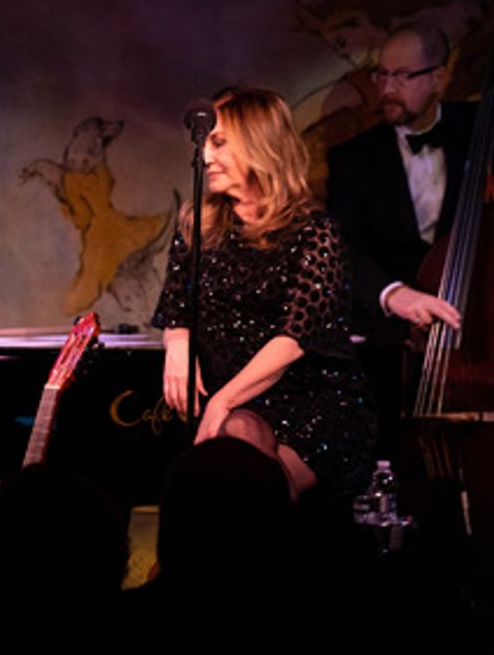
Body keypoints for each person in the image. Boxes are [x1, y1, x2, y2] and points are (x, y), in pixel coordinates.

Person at [153, 86, 377, 501]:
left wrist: (222, 402)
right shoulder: (197, 226)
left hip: (309, 402)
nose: (206, 157)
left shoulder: (314, 233)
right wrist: (178, 345)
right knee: (236, 436)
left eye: (220, 143)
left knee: (243, 459)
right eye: (205, 144)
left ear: (260, 145)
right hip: (235, 403)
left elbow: (294, 338)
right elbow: (176, 308)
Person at [326, 25, 475, 454]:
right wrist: (395, 294)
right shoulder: (352, 158)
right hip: (389, 339)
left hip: (474, 333)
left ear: (439, 77)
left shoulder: (479, 131)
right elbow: (345, 247)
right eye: (382, 74)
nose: (387, 88)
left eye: (403, 76)